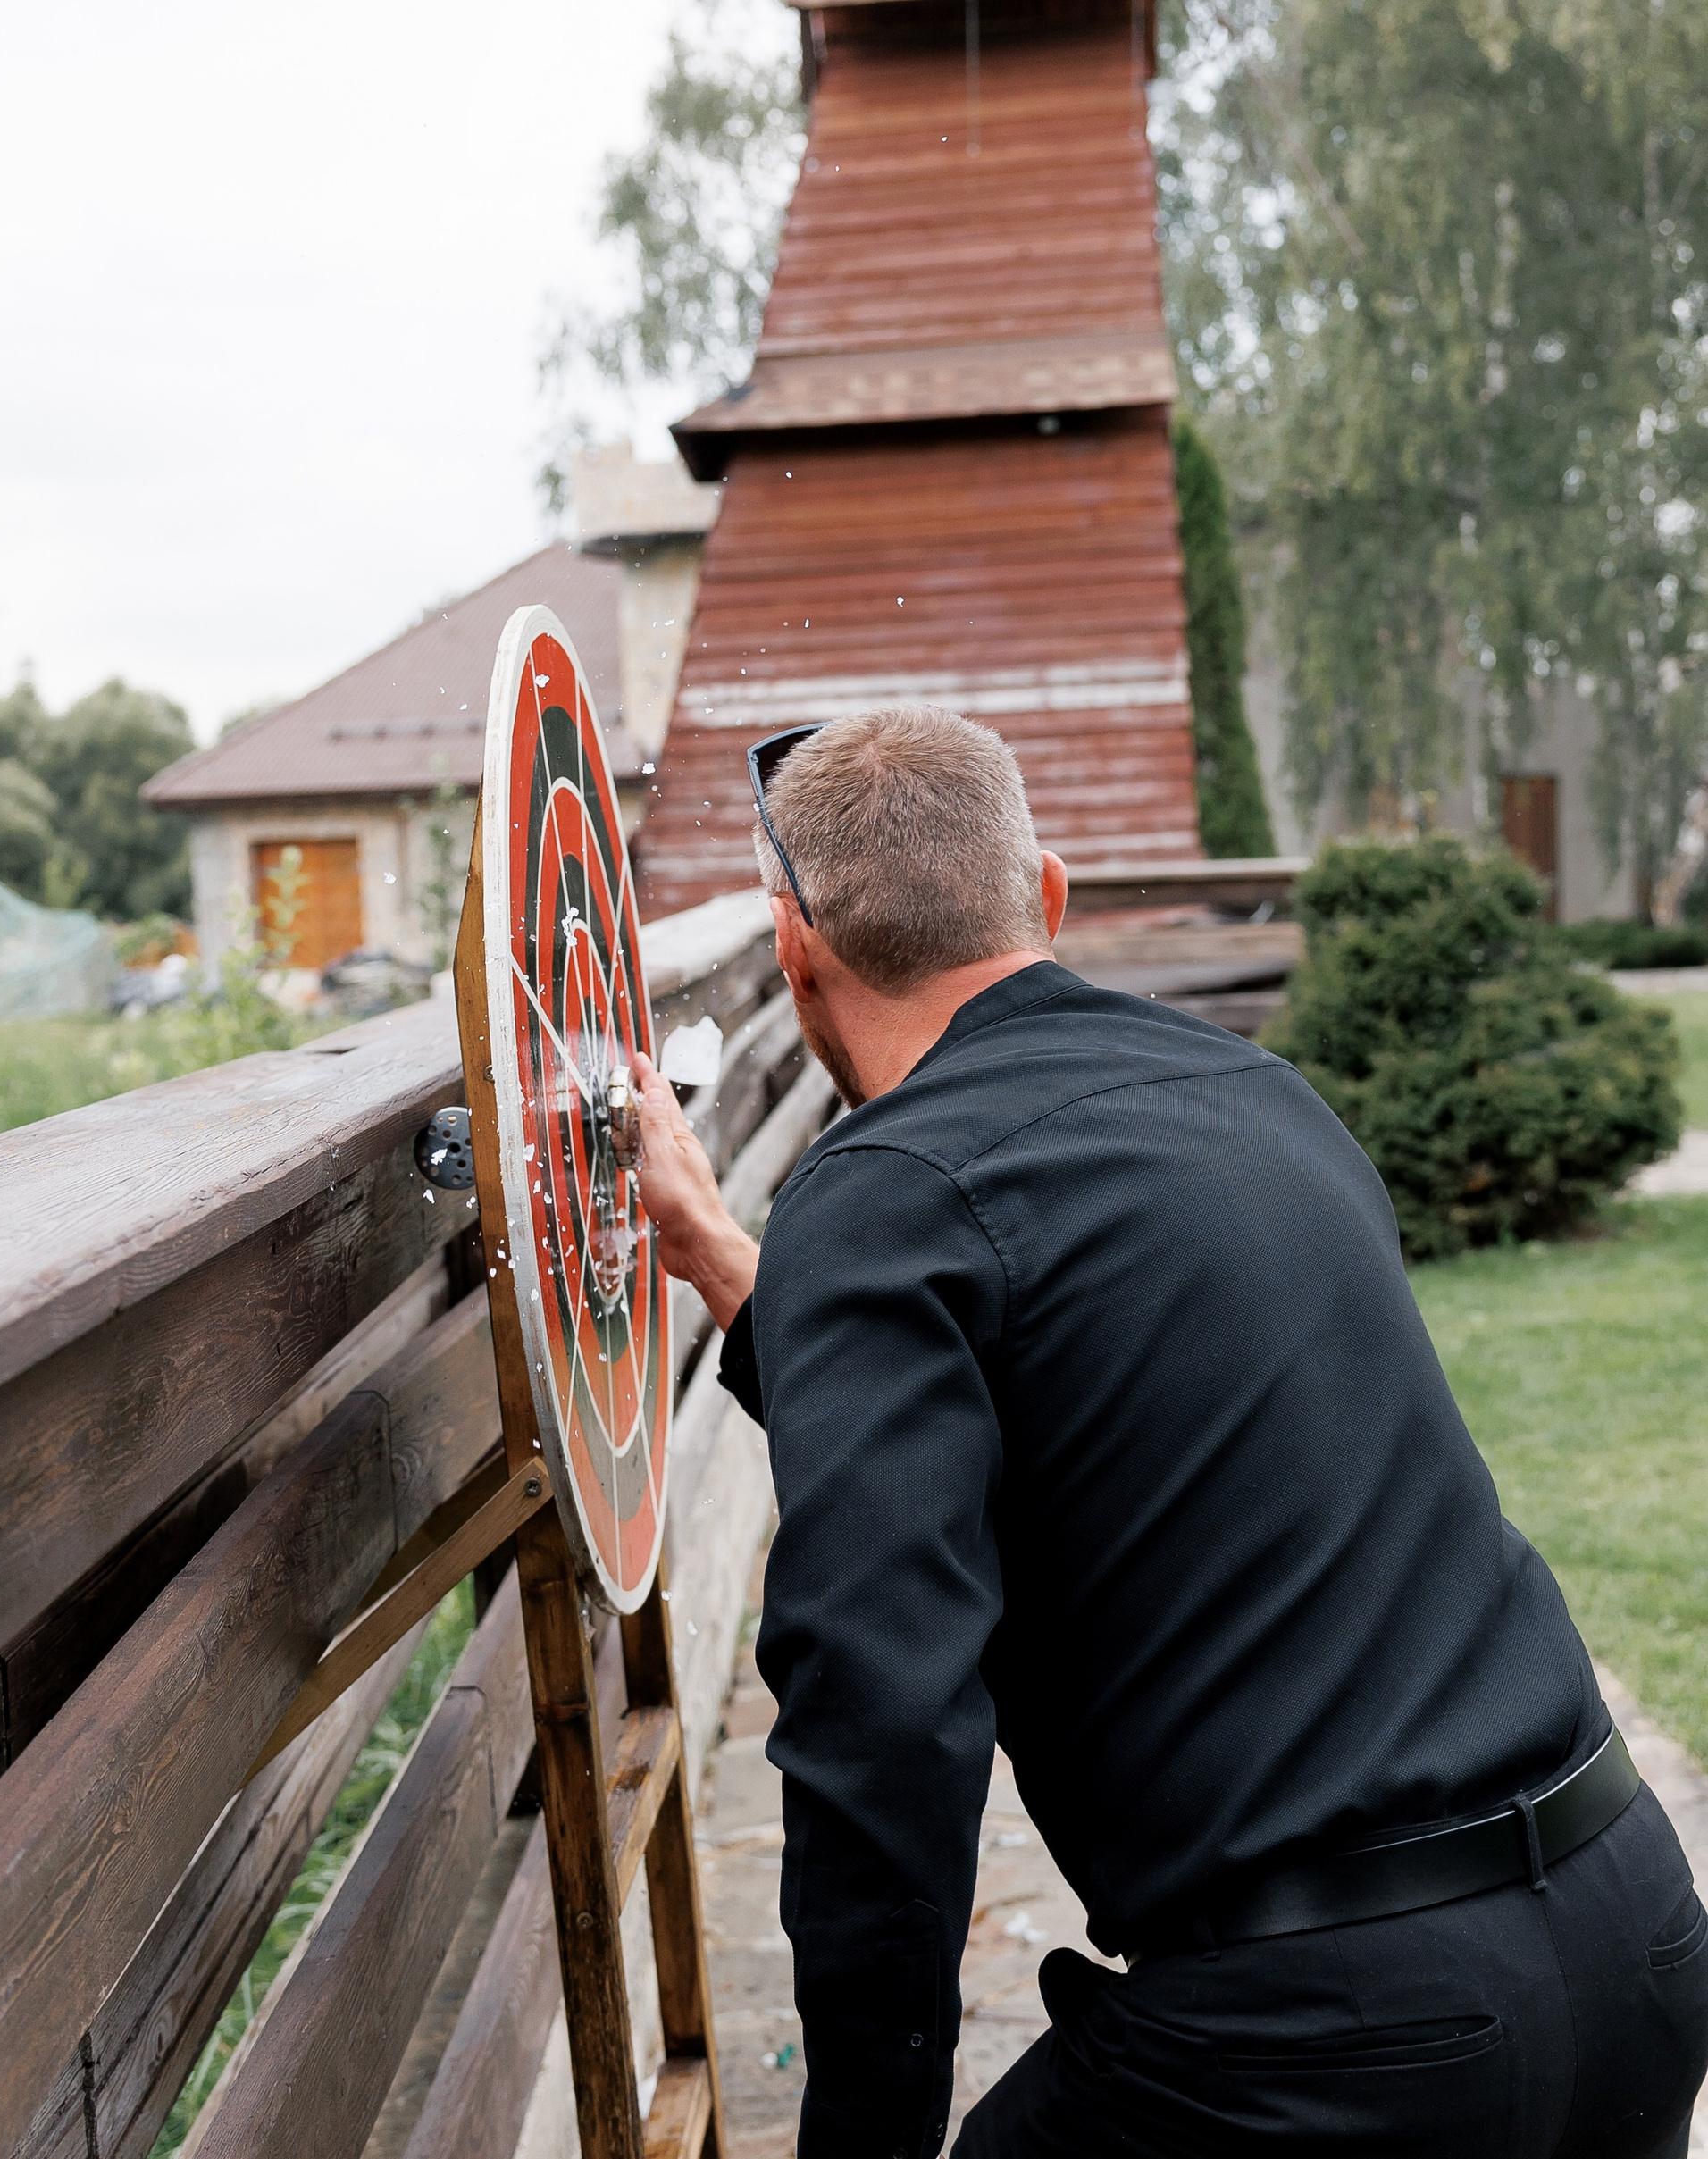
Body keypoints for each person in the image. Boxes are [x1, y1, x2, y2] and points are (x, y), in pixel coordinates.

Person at [632, 704, 1708, 2159]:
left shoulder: (881, 1197)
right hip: (1636, 1933)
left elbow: (881, 1722)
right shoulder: (1260, 1096)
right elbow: (1083, 1382)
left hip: (1331, 2038)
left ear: (793, 944)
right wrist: (729, 1262)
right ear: (1049, 894)